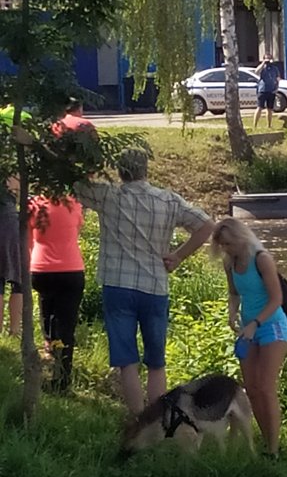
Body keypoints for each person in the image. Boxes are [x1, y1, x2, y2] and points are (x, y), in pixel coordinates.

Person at [72, 148, 215, 415]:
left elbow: (73, 183)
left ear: (119, 171)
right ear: (146, 170)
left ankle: (138, 419)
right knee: (156, 361)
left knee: (126, 360)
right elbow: (206, 226)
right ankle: (158, 421)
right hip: (155, 287)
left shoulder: (108, 196)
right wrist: (179, 256)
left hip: (118, 285)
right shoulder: (169, 201)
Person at [211, 218, 287, 457]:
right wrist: (232, 312)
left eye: (229, 243)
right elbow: (234, 292)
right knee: (252, 389)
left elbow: (277, 299)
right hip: (248, 329)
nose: (226, 249)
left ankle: (274, 450)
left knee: (266, 387)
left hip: (271, 326)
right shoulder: (230, 263)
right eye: (222, 245)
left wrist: (256, 323)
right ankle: (265, 440)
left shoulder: (262, 259)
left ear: (240, 238)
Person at [29, 195, 85, 392]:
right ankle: (63, 378)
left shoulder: (34, 204)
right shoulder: (74, 203)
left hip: (41, 269)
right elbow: (77, 228)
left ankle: (49, 349)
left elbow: (29, 238)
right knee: (67, 325)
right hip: (71, 269)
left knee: (47, 313)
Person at [0, 178, 21, 336]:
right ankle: (15, 330)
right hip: (11, 223)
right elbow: (17, 186)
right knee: (18, 280)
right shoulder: (10, 170)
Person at [253, 54, 280, 130]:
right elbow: (256, 72)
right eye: (266, 58)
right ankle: (255, 125)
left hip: (271, 90)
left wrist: (276, 88)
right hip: (263, 90)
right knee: (260, 107)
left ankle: (269, 125)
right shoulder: (262, 68)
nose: (268, 60)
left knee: (270, 109)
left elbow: (278, 79)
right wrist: (263, 63)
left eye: (269, 58)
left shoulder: (275, 68)